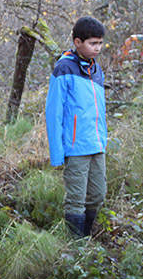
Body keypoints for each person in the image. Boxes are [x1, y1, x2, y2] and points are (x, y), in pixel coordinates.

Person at [44, 16, 108, 238]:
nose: (97, 48)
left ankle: (87, 238)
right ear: (77, 42)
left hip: (97, 145)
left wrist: (104, 140)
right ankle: (75, 247)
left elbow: (98, 110)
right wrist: (57, 154)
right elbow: (54, 113)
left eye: (100, 43)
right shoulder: (64, 68)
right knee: (76, 199)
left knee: (98, 195)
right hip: (75, 146)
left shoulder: (96, 69)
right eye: (92, 43)